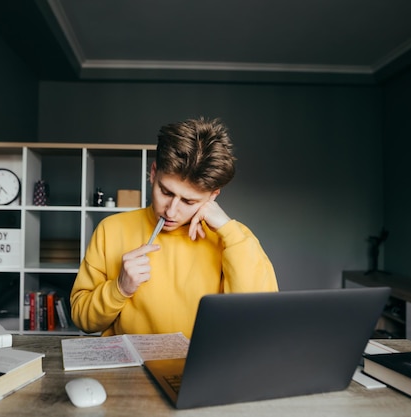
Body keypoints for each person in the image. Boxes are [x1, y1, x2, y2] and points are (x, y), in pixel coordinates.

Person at [70, 117, 278, 338]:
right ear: (153, 172)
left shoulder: (236, 239)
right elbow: (84, 321)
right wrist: (119, 289)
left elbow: (259, 319)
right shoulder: (110, 230)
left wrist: (229, 231)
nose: (170, 211)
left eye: (189, 202)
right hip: (130, 370)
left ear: (213, 195)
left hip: (201, 370)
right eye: (166, 192)